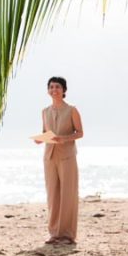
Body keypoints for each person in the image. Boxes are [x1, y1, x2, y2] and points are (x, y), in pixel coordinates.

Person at [35, 76, 84, 245]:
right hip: (49, 157)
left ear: (64, 90)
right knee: (53, 195)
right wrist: (39, 139)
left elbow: (80, 133)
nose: (54, 89)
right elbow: (45, 132)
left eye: (57, 87)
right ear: (48, 90)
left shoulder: (72, 110)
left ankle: (67, 235)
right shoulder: (44, 111)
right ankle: (54, 234)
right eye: (51, 87)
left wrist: (63, 138)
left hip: (67, 156)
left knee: (68, 194)